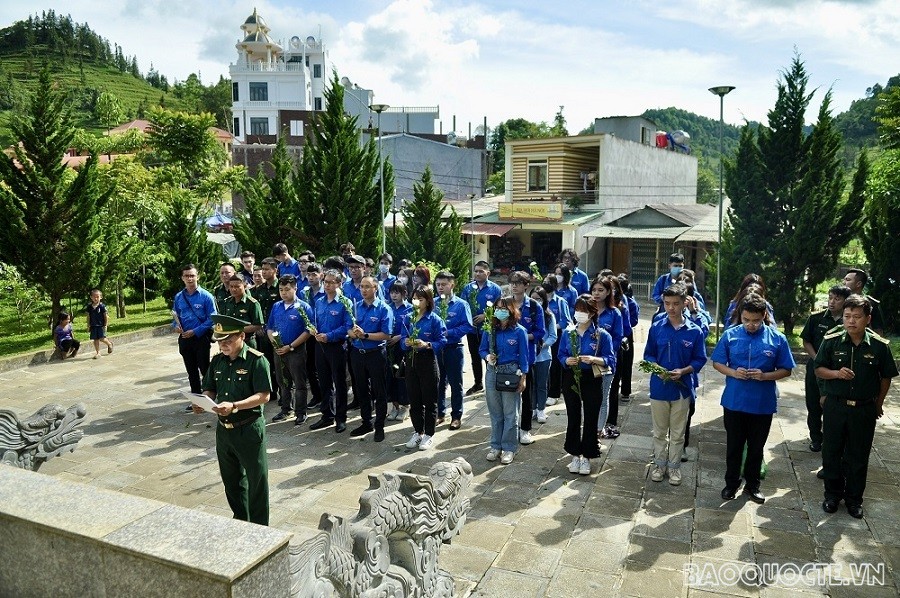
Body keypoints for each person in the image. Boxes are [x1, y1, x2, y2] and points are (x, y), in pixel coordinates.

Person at [815, 294, 897, 518]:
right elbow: (818, 368)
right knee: (831, 452)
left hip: (863, 409)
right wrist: (836, 374)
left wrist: (878, 404)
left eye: (857, 317)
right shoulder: (831, 340)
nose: (851, 321)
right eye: (847, 316)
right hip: (836, 406)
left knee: (858, 456)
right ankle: (832, 496)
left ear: (867, 319)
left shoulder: (879, 346)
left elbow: (886, 377)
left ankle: (854, 499)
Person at [711, 294, 795, 504]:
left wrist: (765, 376)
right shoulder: (730, 335)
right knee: (734, 446)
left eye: (755, 320)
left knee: (757, 447)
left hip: (762, 403)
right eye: (746, 320)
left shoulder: (777, 339)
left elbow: (786, 369)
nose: (751, 325)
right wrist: (732, 372)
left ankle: (752, 485)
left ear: (764, 316)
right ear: (741, 315)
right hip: (735, 401)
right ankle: (731, 483)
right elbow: (717, 363)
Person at [194, 314, 271, 526]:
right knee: (231, 481)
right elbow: (210, 387)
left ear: (241, 337)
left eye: (227, 340)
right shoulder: (218, 361)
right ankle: (240, 521)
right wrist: (204, 400)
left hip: (248, 430)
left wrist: (235, 406)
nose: (223, 345)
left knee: (257, 482)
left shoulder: (257, 360)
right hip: (224, 431)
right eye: (219, 340)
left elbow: (264, 395)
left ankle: (260, 527)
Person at [643, 284, 708, 486]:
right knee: (660, 431)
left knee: (678, 433)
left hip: (682, 389)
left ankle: (674, 468)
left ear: (684, 304)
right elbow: (649, 355)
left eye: (675, 304)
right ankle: (659, 465)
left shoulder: (694, 331)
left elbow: (700, 359)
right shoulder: (656, 327)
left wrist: (684, 371)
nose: (671, 308)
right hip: (659, 388)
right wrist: (657, 368)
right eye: (667, 303)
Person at [559, 295, 615, 475]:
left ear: (592, 313)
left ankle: (588, 456)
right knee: (573, 416)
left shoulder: (601, 334)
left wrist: (594, 359)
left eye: (584, 311)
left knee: (591, 417)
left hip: (592, 377)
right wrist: (566, 360)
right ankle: (575, 454)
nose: (579, 314)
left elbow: (610, 360)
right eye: (577, 310)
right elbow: (560, 355)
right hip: (572, 377)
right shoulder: (568, 332)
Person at [800, 285, 851, 453]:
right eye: (830, 297)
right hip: (815, 368)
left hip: (837, 371)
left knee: (833, 406)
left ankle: (833, 439)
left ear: (845, 302)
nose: (832, 302)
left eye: (837, 299)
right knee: (813, 404)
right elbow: (806, 340)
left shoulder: (849, 321)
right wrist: (816, 359)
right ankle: (816, 437)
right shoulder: (817, 318)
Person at [480, 295, 529, 465]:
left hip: (511, 372)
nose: (500, 312)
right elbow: (482, 349)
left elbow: (524, 357)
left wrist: (523, 377)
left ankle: (509, 448)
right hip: (493, 371)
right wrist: (487, 356)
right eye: (498, 308)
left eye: (504, 308)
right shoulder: (489, 329)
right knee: (495, 412)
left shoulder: (519, 331)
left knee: (510, 413)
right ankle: (495, 446)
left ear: (512, 310)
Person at [347, 276, 394, 442]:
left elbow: (387, 335)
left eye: (367, 286)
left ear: (375, 288)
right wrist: (354, 333)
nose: (364, 290)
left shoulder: (383, 309)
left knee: (379, 390)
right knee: (361, 389)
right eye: (361, 287)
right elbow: (349, 330)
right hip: (357, 353)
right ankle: (366, 421)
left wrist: (365, 335)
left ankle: (379, 424)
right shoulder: (355, 307)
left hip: (375, 353)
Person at [400, 286, 446, 451]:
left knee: (429, 399)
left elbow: (442, 341)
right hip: (411, 360)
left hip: (427, 360)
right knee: (414, 399)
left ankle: (429, 434)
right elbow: (402, 337)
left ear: (428, 301)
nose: (417, 302)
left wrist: (427, 344)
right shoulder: (407, 318)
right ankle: (418, 431)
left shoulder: (434, 319)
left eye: (421, 299)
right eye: (415, 298)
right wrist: (405, 343)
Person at [265, 274, 313, 425]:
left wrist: (291, 346)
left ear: (295, 288)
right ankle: (286, 409)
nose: (284, 293)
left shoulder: (303, 307)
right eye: (281, 289)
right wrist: (275, 343)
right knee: (282, 381)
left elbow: (309, 330)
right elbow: (269, 327)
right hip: (279, 350)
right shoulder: (276, 306)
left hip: (295, 351)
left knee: (299, 382)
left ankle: (301, 411)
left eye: (287, 289)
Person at [310, 269, 353, 433]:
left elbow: (347, 327)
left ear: (339, 284)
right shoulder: (319, 302)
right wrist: (314, 330)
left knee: (339, 382)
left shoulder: (344, 302)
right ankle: (327, 415)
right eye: (325, 282)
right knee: (324, 381)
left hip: (337, 346)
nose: (327, 285)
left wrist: (329, 336)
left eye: (331, 282)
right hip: (320, 347)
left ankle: (341, 418)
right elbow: (316, 321)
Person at [172, 264, 217, 410]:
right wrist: (176, 326)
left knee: (205, 369)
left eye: (192, 275)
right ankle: (197, 401)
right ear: (182, 278)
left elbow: (212, 318)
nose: (190, 278)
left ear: (198, 276)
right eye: (186, 276)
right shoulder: (179, 297)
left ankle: (211, 397)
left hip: (200, 337)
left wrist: (196, 331)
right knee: (191, 371)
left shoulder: (206, 296)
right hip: (185, 338)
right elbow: (175, 316)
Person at [509, 270, 545, 446]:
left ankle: (525, 429)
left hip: (526, 357)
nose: (514, 285)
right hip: (506, 357)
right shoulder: (505, 304)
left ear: (526, 285)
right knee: (508, 396)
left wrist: (522, 337)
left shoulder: (534, 306)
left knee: (526, 395)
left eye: (518, 282)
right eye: (512, 282)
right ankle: (510, 428)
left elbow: (540, 332)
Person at [434, 271, 474, 429]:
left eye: (444, 284)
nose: (440, 287)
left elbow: (467, 326)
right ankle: (439, 413)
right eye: (438, 284)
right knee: (438, 383)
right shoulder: (433, 303)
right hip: (437, 350)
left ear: (452, 284)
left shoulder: (461, 304)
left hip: (453, 348)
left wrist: (449, 332)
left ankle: (456, 415)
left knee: (456, 384)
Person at [460, 260, 503, 397]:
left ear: (488, 273)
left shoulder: (495, 289)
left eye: (481, 271)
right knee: (474, 356)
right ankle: (477, 382)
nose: (477, 274)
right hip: (472, 329)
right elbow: (463, 306)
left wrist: (485, 316)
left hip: (488, 329)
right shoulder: (468, 288)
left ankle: (492, 382)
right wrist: (468, 320)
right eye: (476, 271)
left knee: (488, 355)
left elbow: (500, 308)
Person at [590, 276, 623, 436]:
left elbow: (618, 337)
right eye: (594, 290)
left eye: (601, 290)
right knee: (588, 398)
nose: (596, 293)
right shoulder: (587, 309)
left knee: (603, 397)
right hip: (586, 361)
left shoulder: (614, 313)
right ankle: (589, 426)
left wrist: (605, 350)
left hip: (605, 362)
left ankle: (599, 429)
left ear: (608, 292)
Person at [252, 258, 282, 407]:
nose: (264, 272)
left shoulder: (280, 288)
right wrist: (259, 328)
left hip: (277, 332)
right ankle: (272, 391)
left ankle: (285, 394)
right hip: (263, 333)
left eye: (267, 269)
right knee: (267, 363)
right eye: (262, 269)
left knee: (281, 365)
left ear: (275, 270)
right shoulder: (259, 290)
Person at [541, 279, 572, 407]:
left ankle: (554, 393)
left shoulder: (560, 302)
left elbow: (565, 321)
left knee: (555, 365)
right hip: (542, 335)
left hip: (557, 335)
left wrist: (552, 326)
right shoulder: (540, 300)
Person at [529, 287, 557, 423]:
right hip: (529, 355)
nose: (535, 301)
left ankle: (541, 409)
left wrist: (542, 344)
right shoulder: (525, 314)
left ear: (544, 300)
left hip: (544, 356)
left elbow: (553, 336)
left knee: (541, 384)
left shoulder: (549, 315)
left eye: (538, 299)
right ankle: (532, 408)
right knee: (531, 384)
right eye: (532, 298)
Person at [387, 282, 413, 422]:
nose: (394, 295)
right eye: (392, 292)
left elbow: (413, 329)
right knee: (390, 376)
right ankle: (394, 405)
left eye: (397, 292)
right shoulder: (388, 308)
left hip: (402, 347)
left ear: (404, 293)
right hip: (389, 347)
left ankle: (405, 406)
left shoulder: (410, 308)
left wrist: (399, 337)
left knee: (402, 376)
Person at [614, 273, 639, 403]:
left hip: (626, 336)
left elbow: (633, 321)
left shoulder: (629, 303)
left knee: (627, 364)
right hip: (615, 335)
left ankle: (625, 391)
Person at [222, 275, 263, 349]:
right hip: (230, 342)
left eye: (237, 286)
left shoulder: (252, 303)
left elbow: (258, 325)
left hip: (247, 342)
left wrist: (238, 330)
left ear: (245, 286)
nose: (234, 289)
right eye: (231, 286)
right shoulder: (227, 302)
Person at [842, 268, 885, 334]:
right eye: (844, 279)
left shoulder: (871, 304)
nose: (844, 282)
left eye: (848, 280)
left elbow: (878, 330)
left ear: (858, 284)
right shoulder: (840, 300)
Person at [84, 288, 113, 359]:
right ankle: (98, 352)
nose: (96, 298)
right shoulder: (89, 307)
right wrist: (88, 325)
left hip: (101, 325)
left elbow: (105, 316)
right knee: (95, 339)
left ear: (101, 297)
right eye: (94, 297)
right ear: (91, 297)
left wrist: (105, 325)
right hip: (93, 325)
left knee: (102, 338)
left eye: (97, 297)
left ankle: (109, 344)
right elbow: (88, 316)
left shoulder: (102, 306)